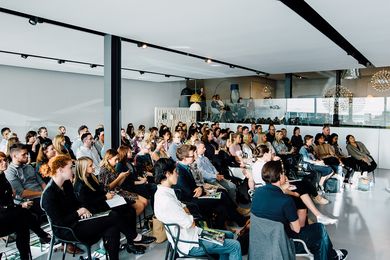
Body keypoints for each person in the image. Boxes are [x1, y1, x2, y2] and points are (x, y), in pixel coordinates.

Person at [251, 160, 348, 260]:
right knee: (320, 230)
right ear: (280, 176)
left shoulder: (257, 193)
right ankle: (331, 255)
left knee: (319, 235)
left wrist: (284, 189)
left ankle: (332, 254)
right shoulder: (286, 201)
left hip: (262, 241)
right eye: (283, 173)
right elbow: (297, 229)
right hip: (285, 243)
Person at [153, 158, 242, 260]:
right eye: (175, 171)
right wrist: (187, 214)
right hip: (191, 244)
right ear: (167, 174)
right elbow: (191, 223)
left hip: (191, 235)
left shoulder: (162, 193)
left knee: (229, 234)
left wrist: (186, 213)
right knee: (235, 245)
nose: (177, 174)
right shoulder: (166, 200)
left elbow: (184, 208)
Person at [40, 155, 121, 260]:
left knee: (112, 229)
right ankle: (133, 237)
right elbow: (60, 222)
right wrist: (79, 212)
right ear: (60, 170)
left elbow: (76, 203)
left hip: (77, 221)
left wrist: (83, 210)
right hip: (66, 230)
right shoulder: (48, 195)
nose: (72, 169)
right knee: (113, 215)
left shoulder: (67, 184)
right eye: (70, 167)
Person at [73, 157, 154, 254]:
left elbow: (100, 190)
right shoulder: (80, 185)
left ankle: (131, 242)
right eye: (90, 165)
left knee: (130, 209)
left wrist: (107, 194)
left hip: (102, 204)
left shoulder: (90, 177)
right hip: (96, 210)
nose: (93, 166)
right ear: (83, 168)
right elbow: (88, 204)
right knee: (124, 213)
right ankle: (133, 239)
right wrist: (105, 197)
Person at [174, 144, 247, 229]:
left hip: (198, 193)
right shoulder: (179, 171)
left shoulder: (189, 165)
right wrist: (200, 188)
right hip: (192, 202)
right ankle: (239, 219)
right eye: (192, 155)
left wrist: (200, 188)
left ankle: (230, 222)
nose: (194, 156)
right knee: (222, 196)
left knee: (222, 195)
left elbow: (199, 182)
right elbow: (190, 193)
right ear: (184, 158)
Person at [0, 151, 51, 260]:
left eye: (4, 160)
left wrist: (13, 198)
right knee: (23, 215)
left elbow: (7, 200)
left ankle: (26, 256)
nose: (4, 163)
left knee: (22, 222)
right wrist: (20, 206)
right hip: (2, 219)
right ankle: (42, 236)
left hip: (9, 215)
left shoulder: (2, 175)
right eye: (0, 161)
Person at [98, 149, 148, 216]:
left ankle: (132, 221)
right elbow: (106, 188)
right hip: (114, 195)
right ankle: (129, 223)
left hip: (120, 191)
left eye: (117, 159)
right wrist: (119, 177)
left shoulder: (112, 167)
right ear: (109, 159)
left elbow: (118, 184)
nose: (117, 161)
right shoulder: (103, 170)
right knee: (141, 206)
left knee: (145, 201)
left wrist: (123, 176)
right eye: (115, 159)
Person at [5, 143, 46, 219]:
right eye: (24, 154)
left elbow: (42, 182)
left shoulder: (29, 167)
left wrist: (48, 192)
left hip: (42, 196)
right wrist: (43, 194)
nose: (27, 156)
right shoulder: (10, 172)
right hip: (30, 200)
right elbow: (22, 193)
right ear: (15, 156)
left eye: (27, 153)